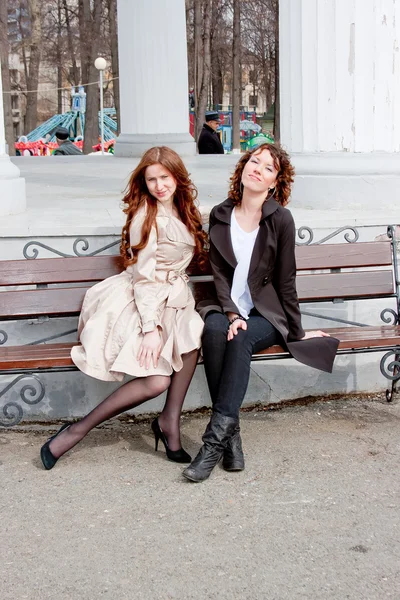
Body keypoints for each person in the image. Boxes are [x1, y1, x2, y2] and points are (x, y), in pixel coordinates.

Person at [40, 146, 207, 470]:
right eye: (152, 179)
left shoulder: (187, 210)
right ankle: (77, 430)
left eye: (165, 177)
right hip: (141, 301)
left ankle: (169, 421)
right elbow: (144, 280)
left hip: (173, 298)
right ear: (144, 183)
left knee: (193, 334)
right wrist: (149, 329)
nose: (159, 185)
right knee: (157, 381)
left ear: (177, 176)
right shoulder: (145, 217)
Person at [182, 143, 340, 483]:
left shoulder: (279, 219)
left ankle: (212, 445)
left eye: (268, 167)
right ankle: (231, 438)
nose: (258, 168)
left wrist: (296, 332)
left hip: (265, 314)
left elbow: (286, 280)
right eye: (254, 161)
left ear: (274, 182)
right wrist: (229, 313)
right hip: (223, 306)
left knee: (238, 340)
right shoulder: (221, 214)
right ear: (242, 168)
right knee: (213, 331)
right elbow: (219, 273)